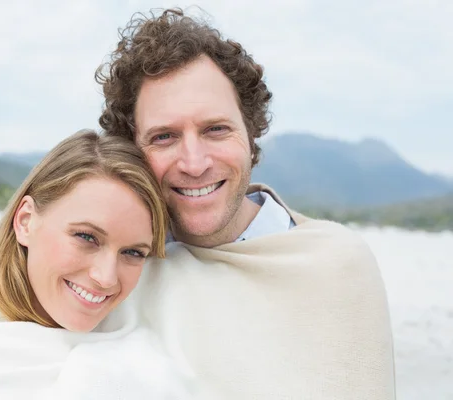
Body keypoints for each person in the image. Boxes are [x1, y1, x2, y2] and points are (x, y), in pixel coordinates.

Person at [95, 8, 396, 399]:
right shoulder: (112, 274)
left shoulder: (336, 265)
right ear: (132, 150)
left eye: (215, 129)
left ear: (251, 134)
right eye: (164, 137)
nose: (194, 163)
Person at [0, 130, 202, 400]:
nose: (105, 278)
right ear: (26, 221)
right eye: (87, 237)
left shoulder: (155, 364)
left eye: (133, 253)